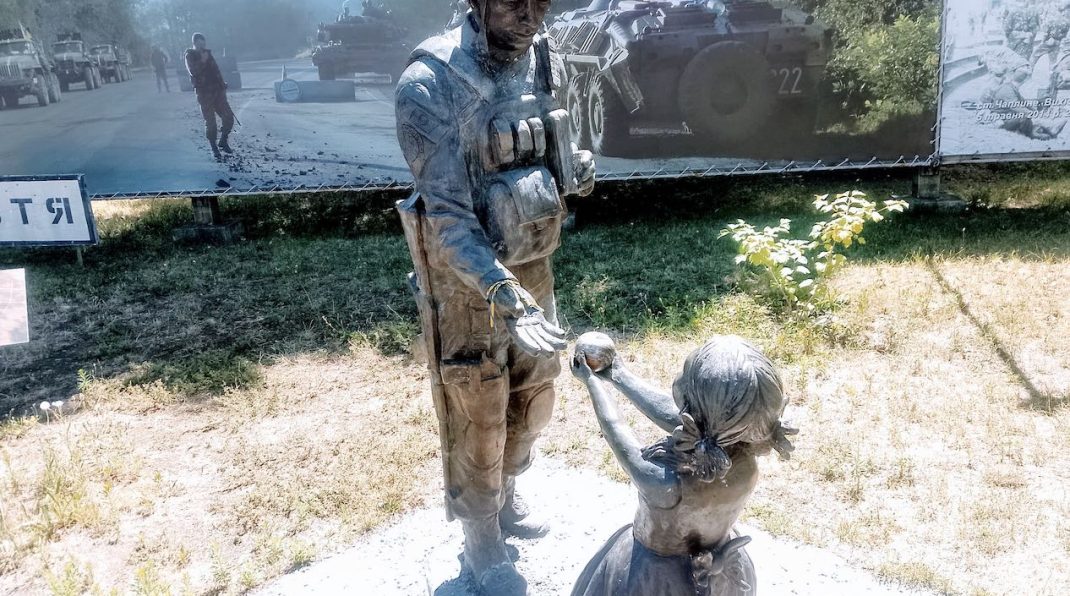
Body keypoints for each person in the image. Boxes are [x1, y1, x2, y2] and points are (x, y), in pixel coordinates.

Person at [394, 0, 596, 593]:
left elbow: (547, 156)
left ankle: (508, 495)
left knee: (536, 397)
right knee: (477, 412)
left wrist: (571, 172)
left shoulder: (542, 59)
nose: (531, 17)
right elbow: (447, 220)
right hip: (465, 283)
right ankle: (480, 534)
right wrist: (503, 294)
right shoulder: (429, 81)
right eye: (514, 3)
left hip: (533, 263)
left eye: (541, 3)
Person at [570, 335, 798, 596]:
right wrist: (618, 374)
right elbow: (689, 421)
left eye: (685, 373)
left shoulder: (662, 482)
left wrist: (591, 382)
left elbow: (615, 427)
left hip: (653, 578)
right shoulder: (745, 460)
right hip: (720, 576)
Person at [184, 33, 235, 160]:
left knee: (228, 117)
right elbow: (193, 72)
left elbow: (216, 70)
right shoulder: (190, 55)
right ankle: (214, 148)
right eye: (200, 42)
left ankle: (223, 141)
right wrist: (202, 60)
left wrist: (222, 84)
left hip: (217, 91)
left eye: (204, 42)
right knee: (211, 123)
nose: (203, 45)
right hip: (204, 93)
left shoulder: (208, 53)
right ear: (195, 43)